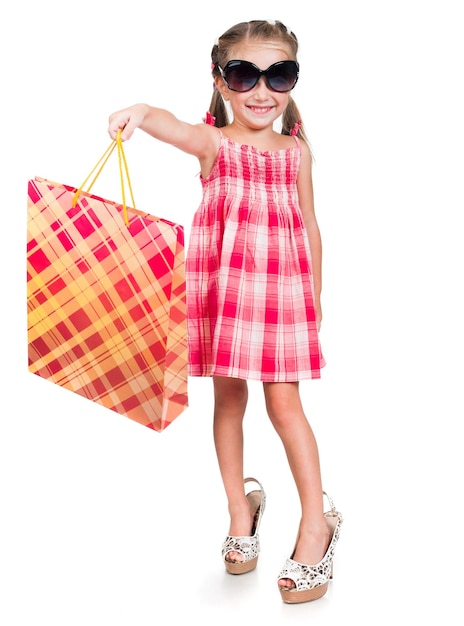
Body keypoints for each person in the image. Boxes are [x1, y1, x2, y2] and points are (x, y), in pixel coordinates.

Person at [108, 19, 342, 604]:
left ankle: (318, 522)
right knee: (229, 399)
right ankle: (241, 509)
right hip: (226, 296)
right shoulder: (216, 143)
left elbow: (311, 226)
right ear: (220, 80)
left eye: (278, 74)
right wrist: (140, 110)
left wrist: (315, 297)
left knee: (286, 405)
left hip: (282, 295)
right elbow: (174, 127)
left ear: (293, 79)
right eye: (244, 75)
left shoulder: (297, 152)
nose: (262, 91)